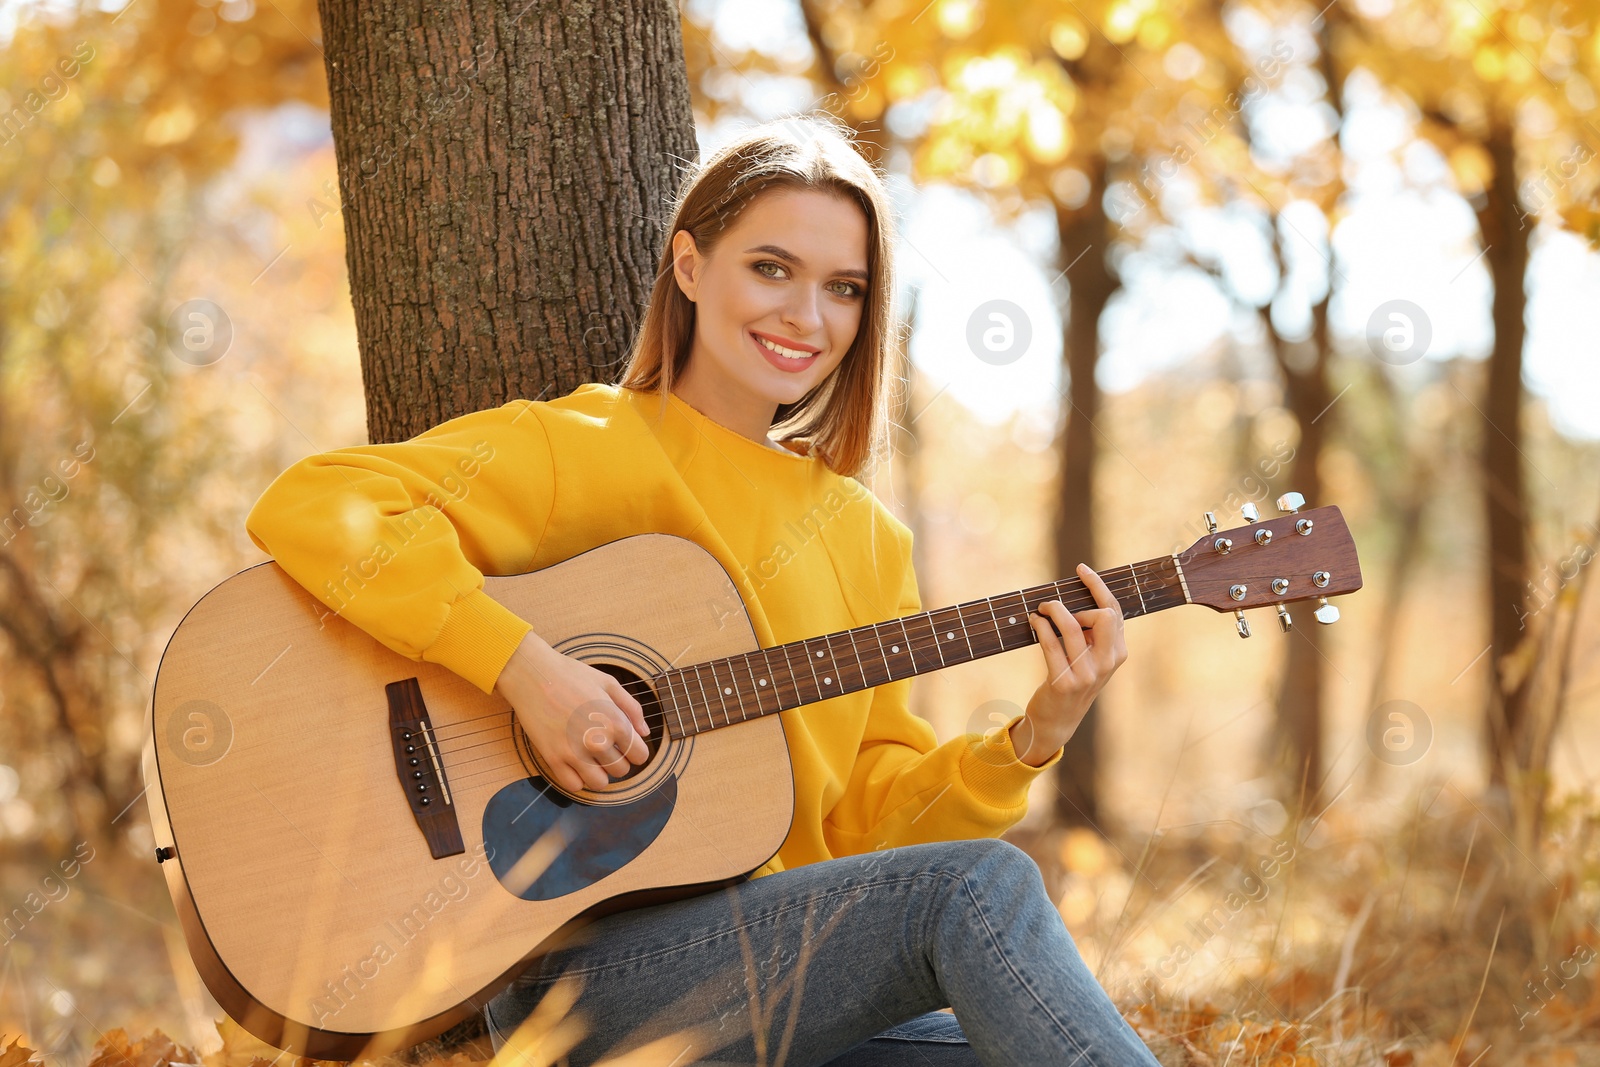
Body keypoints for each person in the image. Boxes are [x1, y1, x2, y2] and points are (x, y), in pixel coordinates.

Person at [245, 113, 1157, 1067]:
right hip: (578, 975)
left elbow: (862, 828)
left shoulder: (867, 539)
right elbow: (319, 502)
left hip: (787, 984)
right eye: (772, 268)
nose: (807, 316)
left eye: (843, 288)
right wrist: (522, 667)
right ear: (688, 266)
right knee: (983, 887)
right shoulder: (587, 447)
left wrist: (1032, 738)